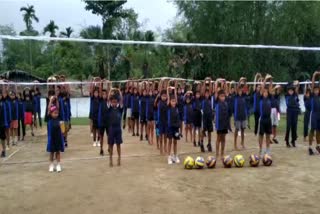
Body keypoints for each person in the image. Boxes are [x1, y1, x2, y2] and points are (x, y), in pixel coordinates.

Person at [107, 89, 123, 167]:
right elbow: (108, 99)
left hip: (118, 128)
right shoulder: (109, 109)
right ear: (111, 102)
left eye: (115, 102)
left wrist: (119, 92)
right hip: (111, 128)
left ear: (117, 102)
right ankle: (110, 159)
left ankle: (119, 158)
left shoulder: (120, 109)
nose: (114, 103)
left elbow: (121, 101)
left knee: (118, 144)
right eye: (112, 102)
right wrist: (110, 91)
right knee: (111, 145)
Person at [46, 104, 64, 172]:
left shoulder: (60, 119)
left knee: (58, 152)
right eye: (54, 113)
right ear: (51, 113)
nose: (56, 114)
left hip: (58, 138)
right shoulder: (49, 119)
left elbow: (63, 129)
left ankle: (58, 164)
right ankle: (51, 165)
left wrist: (63, 130)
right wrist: (50, 101)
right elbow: (48, 110)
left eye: (57, 113)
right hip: (51, 139)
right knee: (51, 153)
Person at [258, 75, 273, 156]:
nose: (265, 93)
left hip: (268, 119)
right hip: (262, 119)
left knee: (268, 135)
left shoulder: (269, 98)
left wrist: (270, 81)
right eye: (264, 92)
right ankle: (260, 149)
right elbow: (263, 87)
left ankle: (267, 149)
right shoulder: (261, 98)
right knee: (261, 135)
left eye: (266, 92)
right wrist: (265, 79)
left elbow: (270, 88)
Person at [214, 79, 229, 160]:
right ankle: (217, 153)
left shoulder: (225, 102)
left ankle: (222, 153)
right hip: (219, 124)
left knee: (223, 138)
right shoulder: (217, 102)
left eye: (223, 96)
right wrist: (217, 81)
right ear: (219, 97)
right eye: (221, 96)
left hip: (225, 123)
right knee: (218, 138)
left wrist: (225, 83)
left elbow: (226, 91)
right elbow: (216, 90)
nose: (223, 97)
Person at [166, 83, 181, 164]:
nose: (173, 102)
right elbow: (169, 97)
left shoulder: (177, 107)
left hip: (176, 127)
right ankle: (169, 157)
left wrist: (175, 89)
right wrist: (168, 88)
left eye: (174, 101)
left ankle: (175, 156)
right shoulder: (168, 106)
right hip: (170, 127)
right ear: (170, 102)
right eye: (172, 101)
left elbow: (175, 96)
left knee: (175, 142)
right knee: (170, 141)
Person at [155, 79, 169, 155]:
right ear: (161, 96)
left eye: (165, 96)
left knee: (165, 136)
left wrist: (166, 82)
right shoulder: (159, 101)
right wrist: (161, 81)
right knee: (160, 136)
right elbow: (160, 90)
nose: (164, 97)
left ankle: (165, 148)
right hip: (160, 121)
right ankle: (161, 149)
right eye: (163, 96)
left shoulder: (167, 102)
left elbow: (166, 91)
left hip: (166, 121)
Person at [285, 81, 300, 147]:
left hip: (295, 112)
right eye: (289, 90)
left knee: (294, 127)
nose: (291, 91)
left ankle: (293, 141)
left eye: (292, 90)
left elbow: (297, 87)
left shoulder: (295, 95)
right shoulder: (287, 96)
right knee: (288, 127)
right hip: (289, 111)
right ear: (288, 91)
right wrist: (294, 84)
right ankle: (287, 141)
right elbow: (289, 86)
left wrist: (297, 83)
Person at [233, 78, 248, 151]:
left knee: (243, 130)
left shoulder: (244, 95)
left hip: (243, 116)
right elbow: (237, 87)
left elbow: (245, 87)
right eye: (239, 90)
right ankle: (235, 144)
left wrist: (244, 81)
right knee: (236, 130)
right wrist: (240, 80)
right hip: (237, 116)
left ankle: (242, 143)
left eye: (241, 90)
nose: (240, 91)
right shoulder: (236, 96)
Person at [308, 71, 320, 155]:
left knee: (319, 131)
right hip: (314, 114)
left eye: (317, 89)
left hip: (319, 114)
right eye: (315, 89)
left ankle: (318, 146)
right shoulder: (312, 95)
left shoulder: (319, 95)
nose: (316, 91)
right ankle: (310, 147)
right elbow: (312, 85)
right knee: (312, 130)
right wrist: (314, 75)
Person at [201, 79, 214, 152]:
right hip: (204, 117)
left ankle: (209, 144)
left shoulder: (210, 98)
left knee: (209, 131)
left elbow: (211, 90)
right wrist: (205, 81)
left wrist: (209, 82)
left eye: (207, 93)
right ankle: (202, 143)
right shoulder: (202, 98)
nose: (207, 94)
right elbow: (203, 90)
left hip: (209, 117)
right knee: (203, 131)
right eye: (206, 93)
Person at [98, 89, 109, 156]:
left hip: (107, 122)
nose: (104, 95)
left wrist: (108, 83)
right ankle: (101, 149)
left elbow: (109, 92)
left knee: (109, 136)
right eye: (103, 94)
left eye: (105, 94)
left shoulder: (108, 101)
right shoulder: (100, 100)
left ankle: (109, 148)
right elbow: (100, 91)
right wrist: (101, 82)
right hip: (101, 122)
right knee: (101, 137)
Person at [0, 91, 8, 157]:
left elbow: (5, 114)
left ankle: (4, 150)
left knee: (3, 138)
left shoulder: (3, 104)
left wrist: (5, 123)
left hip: (2, 124)